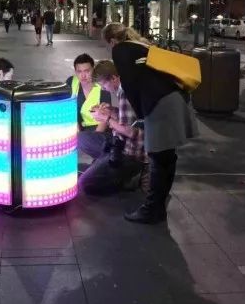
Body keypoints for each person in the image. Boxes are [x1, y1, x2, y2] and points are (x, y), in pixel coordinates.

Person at [103, 22, 198, 224]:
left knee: (158, 159)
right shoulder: (142, 45)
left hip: (158, 105)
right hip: (173, 99)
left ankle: (152, 210)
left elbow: (129, 85)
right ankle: (157, 207)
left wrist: (141, 116)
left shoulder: (120, 49)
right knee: (167, 158)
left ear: (111, 41)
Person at [79, 60, 147, 195]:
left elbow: (131, 132)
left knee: (85, 184)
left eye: (104, 85)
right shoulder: (126, 87)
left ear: (114, 78)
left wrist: (107, 119)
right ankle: (105, 164)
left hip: (130, 153)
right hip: (118, 142)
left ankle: (131, 177)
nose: (104, 89)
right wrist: (110, 110)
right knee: (81, 138)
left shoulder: (125, 92)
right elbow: (129, 118)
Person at [67, 54, 111, 133]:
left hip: (98, 131)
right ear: (75, 72)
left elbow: (104, 120)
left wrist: (92, 137)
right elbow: (68, 109)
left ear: (93, 69)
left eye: (87, 71)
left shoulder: (102, 86)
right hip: (77, 128)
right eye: (79, 71)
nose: (83, 75)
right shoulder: (71, 82)